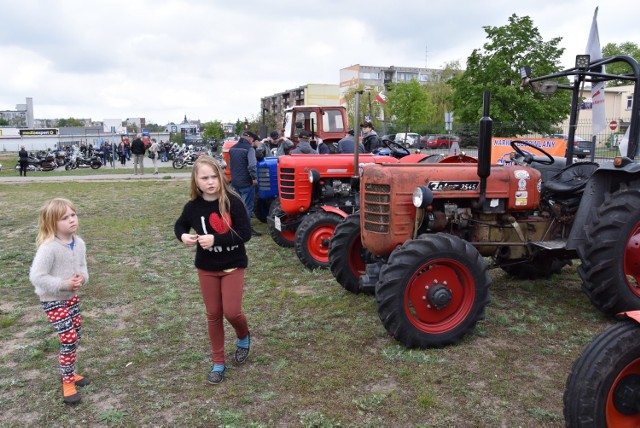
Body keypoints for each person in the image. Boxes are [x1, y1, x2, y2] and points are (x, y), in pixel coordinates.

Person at [174, 156, 252, 385]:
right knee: (213, 314)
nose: (210, 182)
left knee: (232, 312)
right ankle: (218, 361)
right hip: (206, 268)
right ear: (196, 181)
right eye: (204, 177)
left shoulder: (232, 202)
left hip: (233, 265)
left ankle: (243, 336)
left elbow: (245, 233)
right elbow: (179, 225)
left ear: (220, 177)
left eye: (213, 176)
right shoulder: (192, 207)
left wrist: (215, 239)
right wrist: (183, 236)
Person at [29, 198, 90, 404]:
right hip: (52, 299)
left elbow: (82, 268)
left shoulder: (79, 243)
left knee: (76, 334)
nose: (72, 220)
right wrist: (64, 284)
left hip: (71, 298)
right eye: (65, 218)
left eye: (73, 215)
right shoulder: (49, 248)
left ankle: (71, 372)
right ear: (51, 223)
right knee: (69, 338)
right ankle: (67, 381)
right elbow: (37, 277)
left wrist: (82, 278)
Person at [229, 131, 261, 236]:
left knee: (237, 206)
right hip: (246, 182)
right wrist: (255, 178)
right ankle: (247, 229)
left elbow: (231, 165)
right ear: (251, 139)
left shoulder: (232, 148)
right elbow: (252, 166)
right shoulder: (249, 149)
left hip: (235, 182)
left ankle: (235, 227)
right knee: (247, 207)